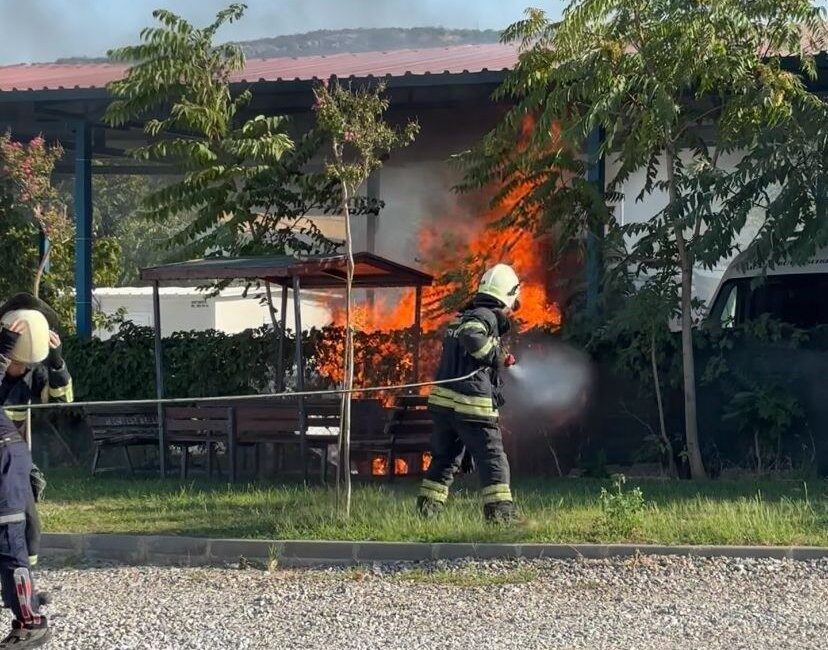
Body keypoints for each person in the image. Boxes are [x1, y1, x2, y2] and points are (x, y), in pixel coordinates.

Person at [417, 264, 520, 523]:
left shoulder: (463, 316)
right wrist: (497, 356)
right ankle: (501, 517)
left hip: (445, 406)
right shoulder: (483, 316)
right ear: (506, 295)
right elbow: (472, 337)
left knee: (445, 460)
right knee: (493, 459)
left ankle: (426, 514)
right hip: (471, 405)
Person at [0, 294, 72, 648]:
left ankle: (21, 594)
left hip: (13, 460)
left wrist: (57, 362)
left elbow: (65, 405)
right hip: (9, 458)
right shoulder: (2, 358)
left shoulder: (37, 367)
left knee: (23, 533)